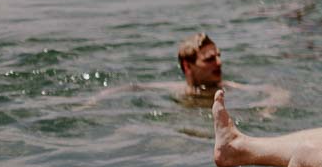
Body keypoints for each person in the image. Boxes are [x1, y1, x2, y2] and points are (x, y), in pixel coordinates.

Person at [88, 31, 289, 111]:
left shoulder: (229, 88)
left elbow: (276, 91)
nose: (218, 63)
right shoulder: (175, 90)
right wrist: (94, 100)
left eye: (218, 56)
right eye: (210, 59)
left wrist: (267, 108)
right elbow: (132, 87)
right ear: (187, 66)